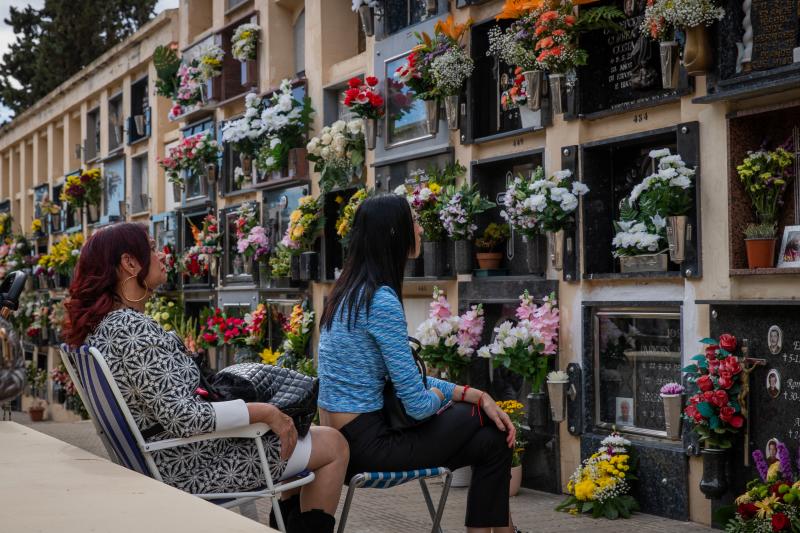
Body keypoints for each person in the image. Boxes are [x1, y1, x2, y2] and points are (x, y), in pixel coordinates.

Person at [62, 223, 347, 533]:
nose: (162, 256)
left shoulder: (105, 327)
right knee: (333, 445)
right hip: (190, 466)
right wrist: (265, 412)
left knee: (300, 439)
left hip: (169, 456)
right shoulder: (133, 330)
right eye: (153, 248)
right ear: (130, 263)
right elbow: (184, 417)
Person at [317, 194, 519, 533]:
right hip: (371, 446)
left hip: (346, 437)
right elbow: (418, 404)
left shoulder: (346, 294)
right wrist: (459, 400)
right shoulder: (380, 300)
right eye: (413, 221)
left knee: (490, 441)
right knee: (485, 419)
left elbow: (404, 380)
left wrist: (469, 392)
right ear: (395, 233)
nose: (421, 228)